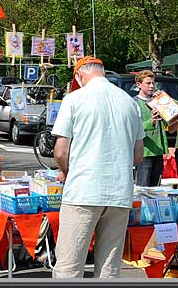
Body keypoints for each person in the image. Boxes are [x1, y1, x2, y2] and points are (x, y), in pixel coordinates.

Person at [51, 56, 144, 278]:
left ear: (79, 75)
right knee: (109, 269)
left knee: (69, 267)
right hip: (119, 192)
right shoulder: (130, 103)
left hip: (83, 191)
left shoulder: (74, 99)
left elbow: (61, 151)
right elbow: (138, 156)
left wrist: (67, 172)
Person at [133, 70, 168, 186]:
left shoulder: (156, 101)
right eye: (148, 83)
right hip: (144, 151)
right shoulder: (134, 103)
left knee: (156, 189)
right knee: (143, 187)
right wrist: (150, 121)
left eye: (153, 83)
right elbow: (132, 129)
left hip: (158, 150)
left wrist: (165, 101)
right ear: (139, 85)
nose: (152, 86)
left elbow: (173, 117)